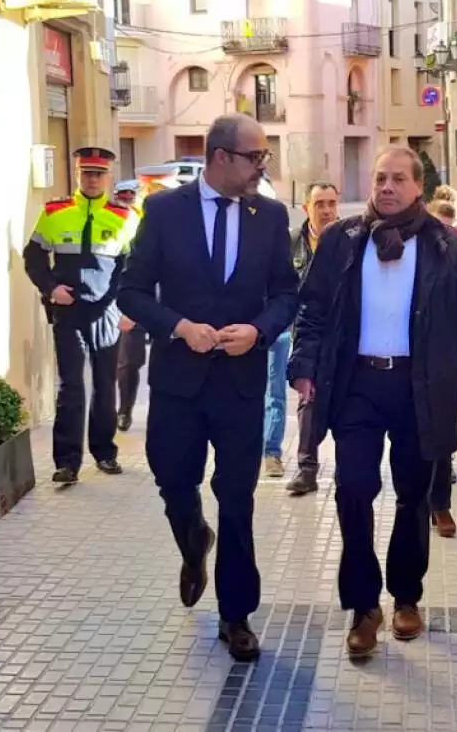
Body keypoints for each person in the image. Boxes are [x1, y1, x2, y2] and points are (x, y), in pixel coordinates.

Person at [289, 145, 457, 657]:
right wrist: (303, 367)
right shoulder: (343, 239)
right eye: (380, 178)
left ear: (418, 187)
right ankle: (363, 607)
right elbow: (313, 309)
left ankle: (406, 597)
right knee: (353, 491)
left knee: (414, 496)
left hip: (419, 386)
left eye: (397, 179)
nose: (386, 187)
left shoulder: (444, 243)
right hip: (357, 385)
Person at [118, 114, 299, 660]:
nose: (262, 167)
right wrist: (177, 326)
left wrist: (260, 330)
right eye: (255, 157)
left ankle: (236, 614)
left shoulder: (269, 215)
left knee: (237, 499)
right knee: (174, 481)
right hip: (178, 384)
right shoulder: (164, 211)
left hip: (241, 385)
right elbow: (130, 292)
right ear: (221, 156)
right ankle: (193, 539)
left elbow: (287, 294)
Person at [24, 147, 138, 485]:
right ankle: (67, 463)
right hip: (68, 311)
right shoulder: (55, 212)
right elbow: (33, 255)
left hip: (107, 312)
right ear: (77, 174)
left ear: (108, 177)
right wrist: (50, 288)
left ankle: (104, 453)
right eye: (86, 173)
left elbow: (133, 267)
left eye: (98, 174)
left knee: (105, 385)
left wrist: (127, 307)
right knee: (71, 386)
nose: (92, 179)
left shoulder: (125, 217)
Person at [274, 181, 340, 494]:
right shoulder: (291, 243)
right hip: (306, 333)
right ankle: (307, 468)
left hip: (343, 335)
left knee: (348, 404)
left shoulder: (349, 240)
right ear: (306, 208)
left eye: (331, 203)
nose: (326, 210)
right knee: (308, 399)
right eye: (319, 204)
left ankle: (347, 470)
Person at [116, 165, 183, 431]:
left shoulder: (180, 220)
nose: (156, 195)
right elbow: (121, 266)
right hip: (138, 304)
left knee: (169, 361)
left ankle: (168, 414)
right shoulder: (127, 220)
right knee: (129, 361)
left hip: (168, 305)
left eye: (162, 190)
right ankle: (125, 409)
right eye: (152, 189)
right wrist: (125, 306)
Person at [424, 197, 457, 538]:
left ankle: (440, 503)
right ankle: (418, 502)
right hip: (399, 356)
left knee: (440, 433)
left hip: (441, 355)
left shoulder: (455, 245)